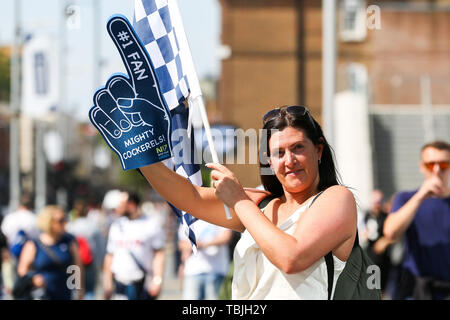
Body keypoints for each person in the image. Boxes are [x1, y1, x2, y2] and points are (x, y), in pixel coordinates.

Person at [139, 105, 357, 299]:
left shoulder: (337, 198)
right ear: (269, 162)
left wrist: (239, 202)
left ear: (318, 150)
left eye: (298, 147)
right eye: (279, 153)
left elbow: (291, 258)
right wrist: (137, 152)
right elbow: (190, 197)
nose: (289, 161)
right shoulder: (261, 204)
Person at [383, 140, 450, 300]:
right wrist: (420, 196)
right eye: (430, 165)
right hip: (418, 290)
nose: (436, 170)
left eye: (443, 165)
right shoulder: (406, 198)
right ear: (422, 167)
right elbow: (390, 233)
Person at [103, 192, 166, 300]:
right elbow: (109, 256)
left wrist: (157, 280)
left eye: (121, 204)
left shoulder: (151, 225)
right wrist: (107, 283)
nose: (117, 208)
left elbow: (159, 254)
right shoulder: (116, 226)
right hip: (120, 283)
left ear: (131, 205)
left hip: (141, 283)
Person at [16, 205, 84, 300]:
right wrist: (34, 279)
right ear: (49, 222)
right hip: (42, 293)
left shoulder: (69, 241)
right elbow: (22, 269)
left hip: (65, 292)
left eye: (65, 219)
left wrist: (80, 290)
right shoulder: (34, 244)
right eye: (60, 221)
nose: (64, 223)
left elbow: (77, 267)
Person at [178, 220, 232, 300]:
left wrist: (202, 244)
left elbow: (226, 236)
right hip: (193, 271)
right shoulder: (187, 217)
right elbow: (181, 243)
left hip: (216, 270)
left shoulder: (219, 214)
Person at [66, 199, 104, 299]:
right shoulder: (93, 227)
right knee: (90, 290)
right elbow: (100, 247)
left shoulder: (70, 227)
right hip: (90, 262)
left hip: (74, 264)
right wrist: (99, 263)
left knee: (75, 289)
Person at [361, 189, 393, 296]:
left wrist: (385, 242)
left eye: (379, 202)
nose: (376, 205)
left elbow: (393, 235)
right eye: (375, 202)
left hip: (383, 258)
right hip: (370, 257)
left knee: (382, 287)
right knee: (372, 286)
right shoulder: (366, 215)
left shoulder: (386, 217)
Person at [1, 193, 39, 264]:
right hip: (31, 254)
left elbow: (4, 235)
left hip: (11, 252)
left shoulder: (10, 217)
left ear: (19, 205)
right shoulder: (35, 218)